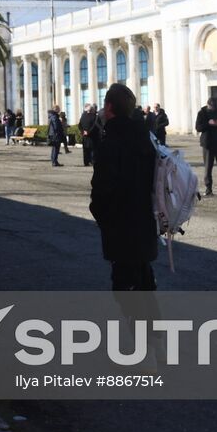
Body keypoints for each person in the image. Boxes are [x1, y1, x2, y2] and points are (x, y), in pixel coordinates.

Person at [89, 83, 159, 291]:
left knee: (126, 289)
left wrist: (102, 217)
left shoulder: (110, 142)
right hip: (145, 224)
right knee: (144, 283)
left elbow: (102, 189)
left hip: (120, 229)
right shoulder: (146, 138)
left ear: (109, 107)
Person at [195, 97, 217, 196]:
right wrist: (208, 123)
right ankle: (208, 189)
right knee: (208, 167)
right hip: (208, 144)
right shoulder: (202, 113)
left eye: (215, 107)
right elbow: (198, 127)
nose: (213, 109)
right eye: (211, 107)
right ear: (208, 105)